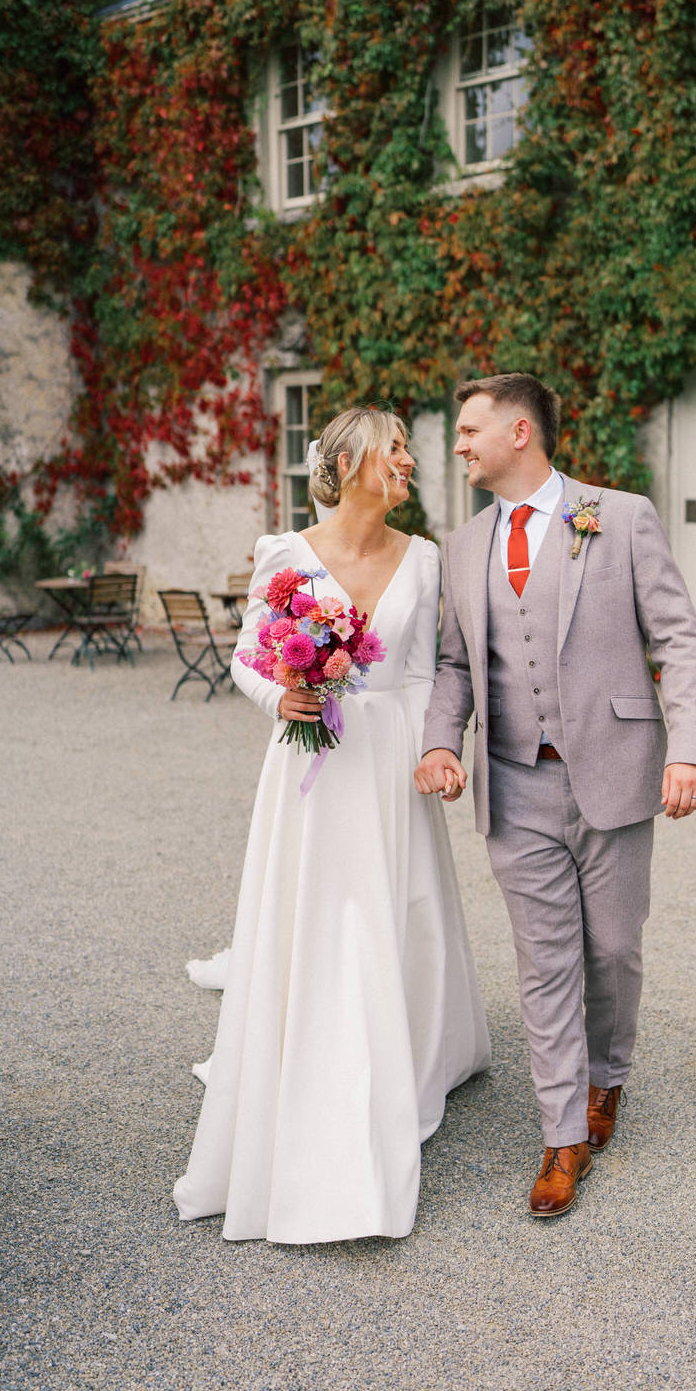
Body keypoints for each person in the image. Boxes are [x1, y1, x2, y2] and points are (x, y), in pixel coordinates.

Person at [174, 407, 491, 1243]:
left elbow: (424, 671)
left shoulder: (425, 558)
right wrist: (281, 696)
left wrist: (434, 751)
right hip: (310, 764)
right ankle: (316, 1065)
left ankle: (403, 1052)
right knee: (321, 916)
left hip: (389, 762)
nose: (408, 463)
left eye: (408, 451)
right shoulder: (284, 554)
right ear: (348, 464)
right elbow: (247, 655)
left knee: (396, 910)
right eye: (395, 450)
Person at [414, 374, 696, 1218]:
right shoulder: (462, 546)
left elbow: (680, 641)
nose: (458, 444)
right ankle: (560, 1136)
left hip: (614, 774)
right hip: (513, 785)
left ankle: (606, 1078)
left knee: (612, 950)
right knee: (544, 964)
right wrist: (439, 741)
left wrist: (690, 751)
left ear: (519, 432)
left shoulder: (620, 517)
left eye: (469, 430)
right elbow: (453, 664)